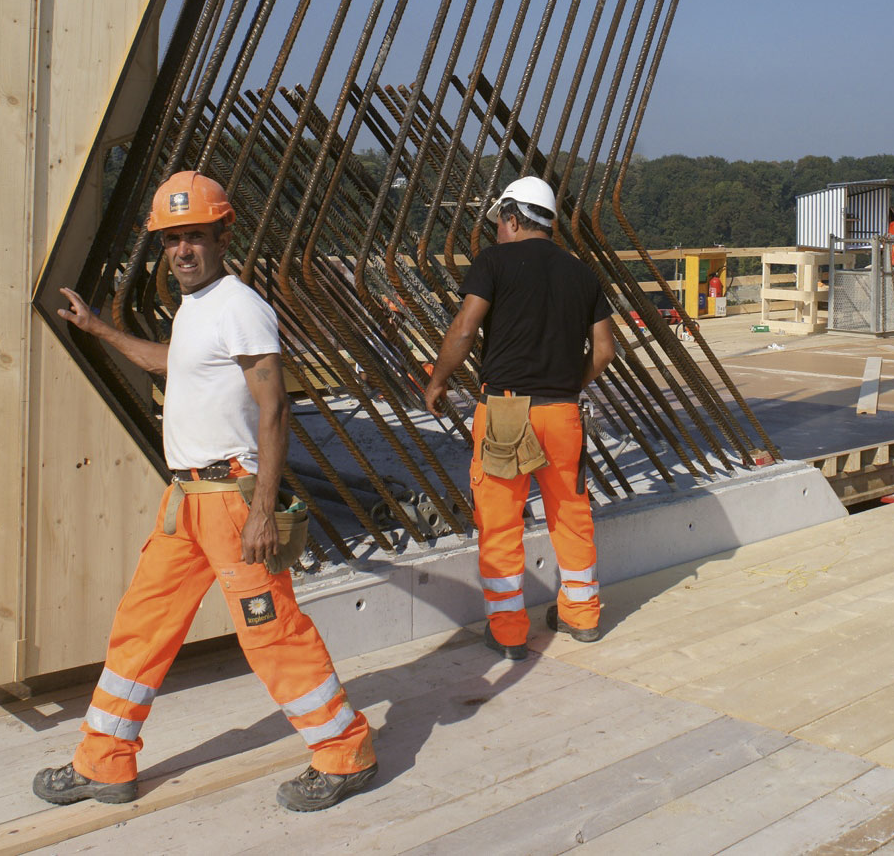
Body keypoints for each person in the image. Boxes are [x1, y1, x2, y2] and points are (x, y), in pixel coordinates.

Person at [31, 171, 377, 811]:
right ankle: (103, 762)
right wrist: (101, 330)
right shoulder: (195, 310)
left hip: (231, 501)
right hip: (185, 504)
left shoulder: (241, 306)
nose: (182, 251)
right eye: (171, 240)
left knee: (271, 633)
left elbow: (273, 409)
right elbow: (173, 362)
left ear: (222, 235)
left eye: (194, 237)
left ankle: (344, 753)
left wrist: (263, 510)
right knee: (142, 626)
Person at [423, 175, 619, 658]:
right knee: (571, 515)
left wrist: (439, 379)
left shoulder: (493, 262)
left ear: (512, 218)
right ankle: (582, 615)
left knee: (500, 520)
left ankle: (510, 631)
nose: (497, 234)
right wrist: (569, 385)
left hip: (506, 411)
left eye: (499, 224)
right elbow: (606, 350)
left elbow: (465, 329)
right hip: (563, 412)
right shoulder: (582, 273)